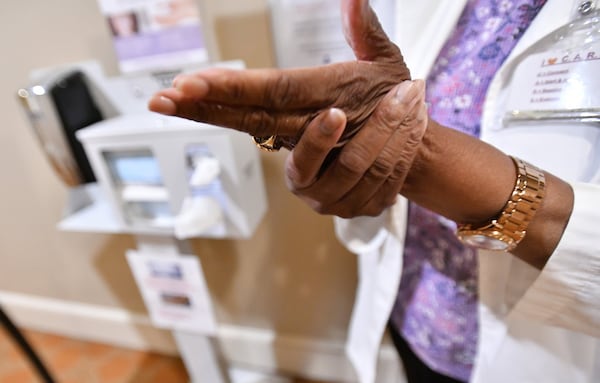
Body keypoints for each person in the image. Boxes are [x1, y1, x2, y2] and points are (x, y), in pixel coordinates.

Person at [148, 0, 600, 382]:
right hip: (411, 315)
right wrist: (351, 169)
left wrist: (423, 160)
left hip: (544, 353)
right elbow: (380, 129)